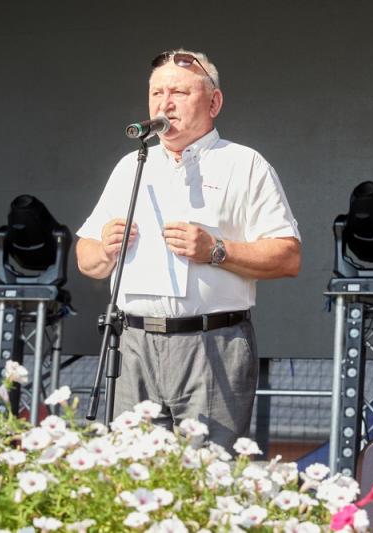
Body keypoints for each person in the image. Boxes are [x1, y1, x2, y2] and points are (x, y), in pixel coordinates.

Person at [75, 49, 301, 450]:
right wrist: (106, 249)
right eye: (156, 93)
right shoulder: (132, 165)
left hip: (212, 344)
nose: (165, 103)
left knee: (207, 473)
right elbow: (86, 258)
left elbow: (288, 257)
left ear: (214, 102)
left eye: (179, 92)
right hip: (134, 343)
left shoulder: (244, 164)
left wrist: (216, 251)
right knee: (132, 473)